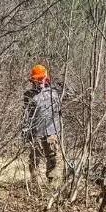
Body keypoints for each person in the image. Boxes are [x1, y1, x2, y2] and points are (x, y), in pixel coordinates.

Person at [22, 64, 64, 192]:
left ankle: (51, 182)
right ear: (32, 80)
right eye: (37, 79)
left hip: (52, 131)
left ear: (46, 78)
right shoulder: (29, 95)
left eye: (42, 78)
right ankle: (34, 183)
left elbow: (70, 96)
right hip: (36, 132)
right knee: (35, 157)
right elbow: (26, 115)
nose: (40, 81)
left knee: (52, 156)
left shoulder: (55, 92)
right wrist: (25, 132)